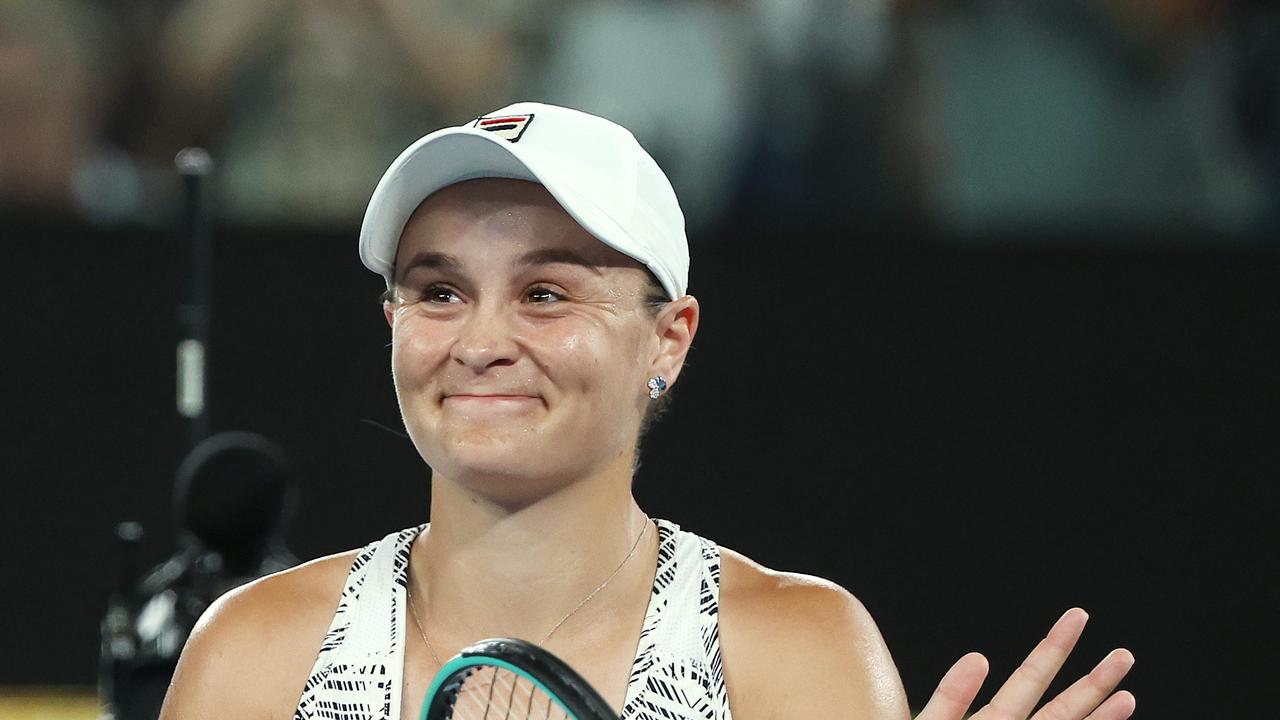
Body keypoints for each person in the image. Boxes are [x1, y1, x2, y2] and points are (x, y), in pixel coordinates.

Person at [157, 102, 1136, 720]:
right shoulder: (253, 654)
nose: (479, 340)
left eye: (544, 293)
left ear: (667, 338)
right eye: (438, 291)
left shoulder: (796, 653)